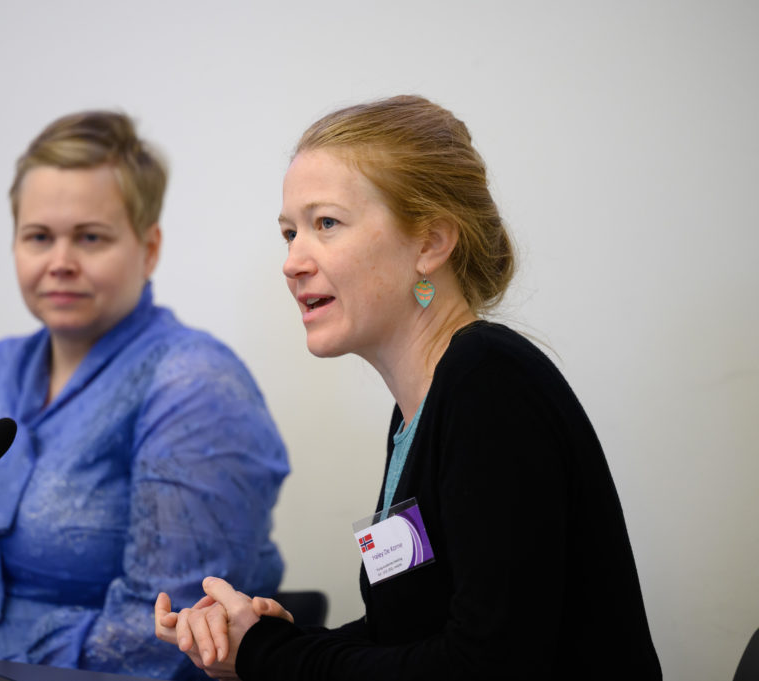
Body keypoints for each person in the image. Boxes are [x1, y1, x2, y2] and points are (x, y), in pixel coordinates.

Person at [154, 95, 662, 680]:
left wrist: (269, 656)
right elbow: (414, 634)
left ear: (430, 243)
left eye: (326, 224)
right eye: (289, 232)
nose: (293, 260)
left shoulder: (489, 384)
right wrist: (267, 637)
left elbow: (485, 666)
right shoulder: (418, 412)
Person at [0, 110, 289, 680]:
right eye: (39, 237)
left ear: (149, 248)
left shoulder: (196, 388)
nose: (60, 263)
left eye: (90, 237)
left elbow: (163, 634)